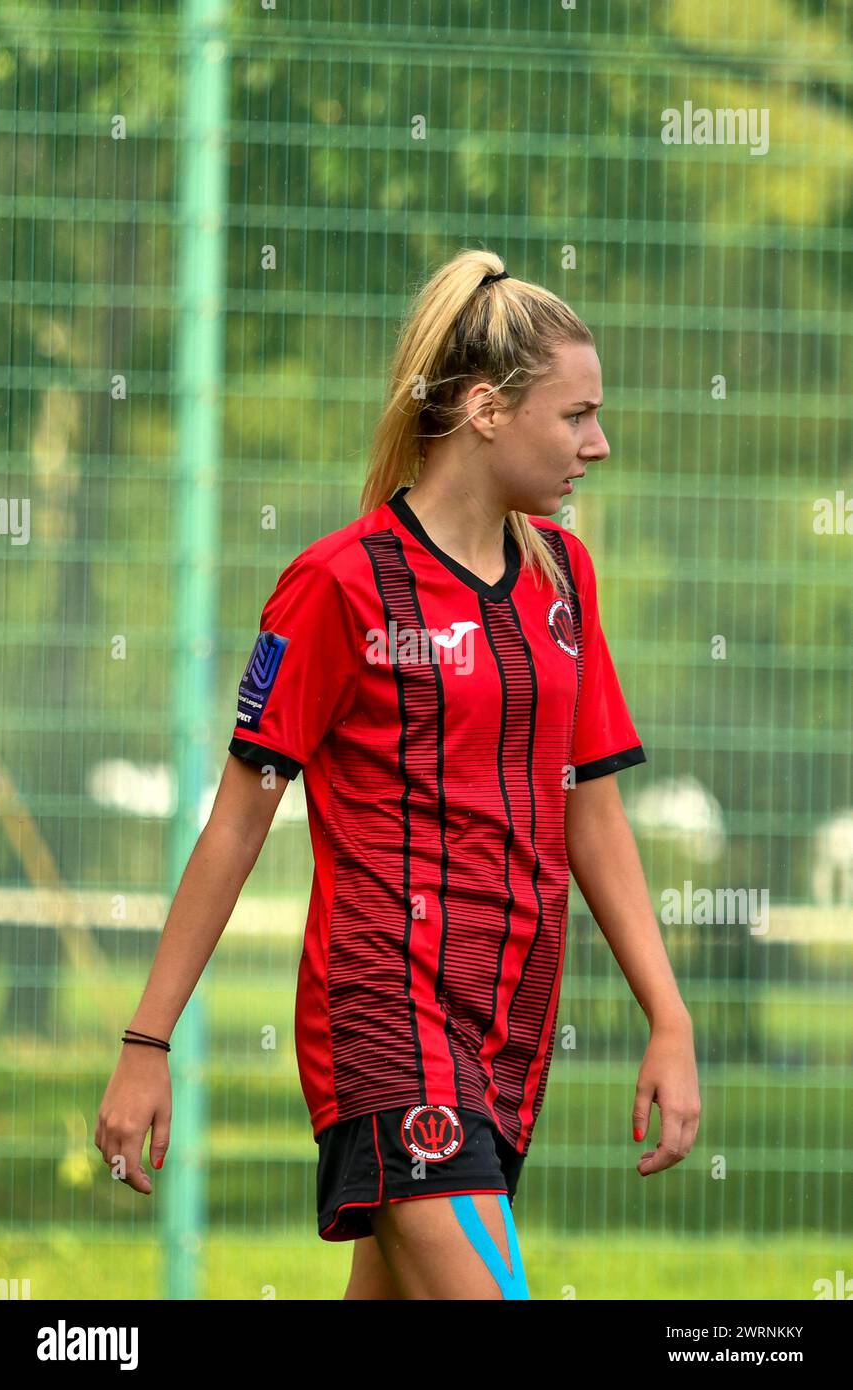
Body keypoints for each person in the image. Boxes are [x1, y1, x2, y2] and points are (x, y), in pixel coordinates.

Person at [95, 248, 700, 1301]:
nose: (596, 444)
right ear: (482, 411)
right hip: (383, 1021)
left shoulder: (563, 578)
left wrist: (668, 1015)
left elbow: (589, 806)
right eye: (575, 416)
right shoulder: (337, 585)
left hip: (504, 1033)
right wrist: (147, 1042)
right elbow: (237, 824)